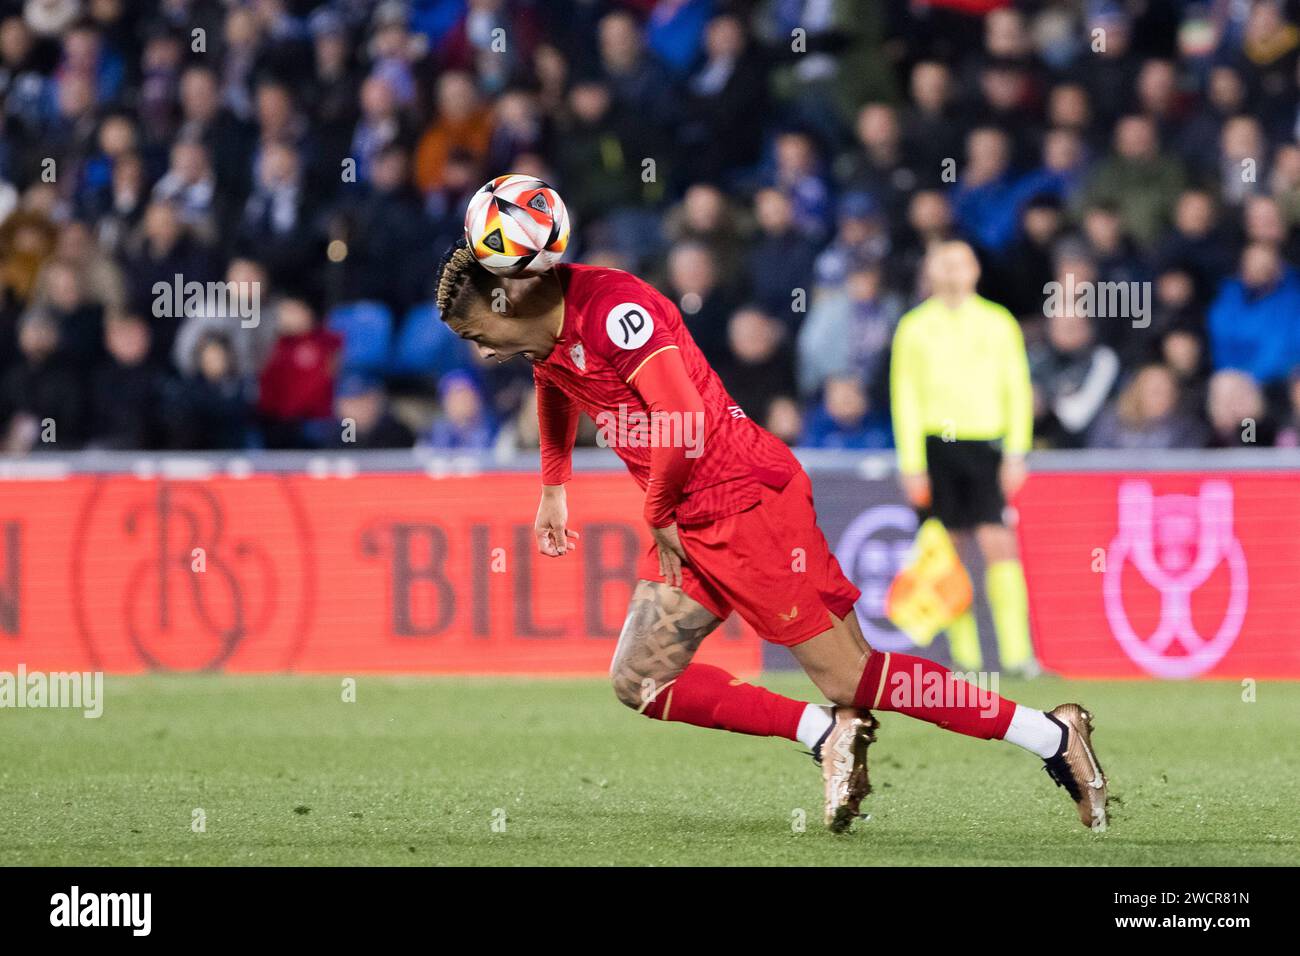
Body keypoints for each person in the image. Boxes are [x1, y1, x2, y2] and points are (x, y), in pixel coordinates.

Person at [430, 238, 1110, 833]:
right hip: (684, 510)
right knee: (641, 678)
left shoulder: (612, 310)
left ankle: (1050, 734)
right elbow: (555, 380)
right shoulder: (546, 333)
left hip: (741, 499)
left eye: (476, 334)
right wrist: (554, 485)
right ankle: (822, 732)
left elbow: (685, 417)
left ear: (506, 301)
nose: (482, 351)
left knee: (853, 675)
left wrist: (659, 510)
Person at [889, 241, 1038, 676]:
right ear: (930, 271)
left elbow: (1017, 389)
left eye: (961, 263)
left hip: (987, 445)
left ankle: (1017, 656)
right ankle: (966, 657)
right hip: (937, 447)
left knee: (999, 543)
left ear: (975, 270)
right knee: (946, 551)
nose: (953, 271)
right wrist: (911, 461)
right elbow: (906, 398)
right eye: (944, 263)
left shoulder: (998, 322)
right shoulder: (914, 327)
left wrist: (1016, 451)